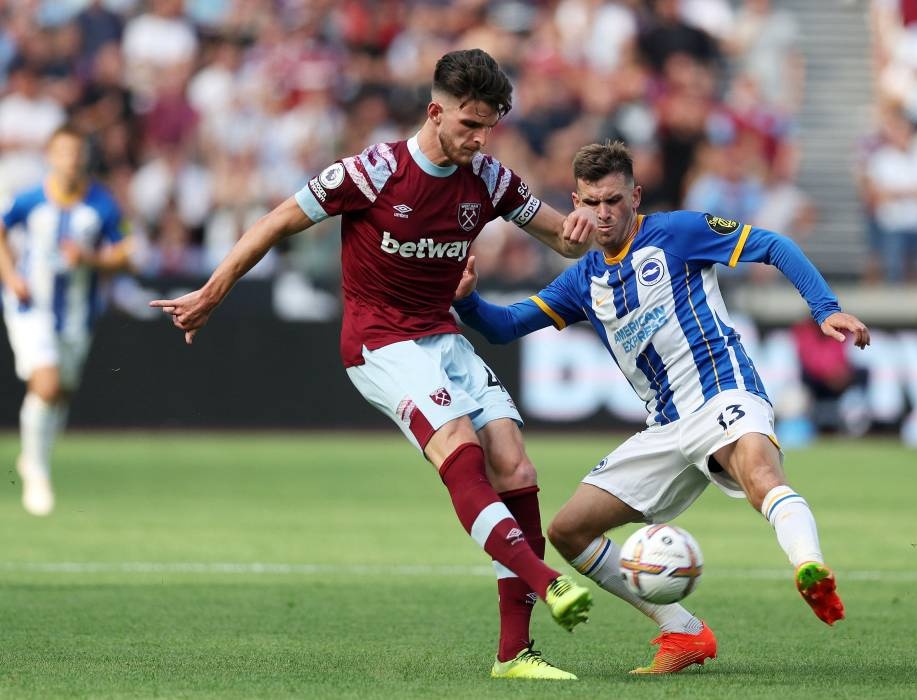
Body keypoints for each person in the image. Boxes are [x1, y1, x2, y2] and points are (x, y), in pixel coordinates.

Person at [150, 49, 596, 681]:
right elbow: (278, 220)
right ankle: (544, 580)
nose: (478, 139)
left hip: (440, 334)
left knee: (515, 463)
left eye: (488, 127)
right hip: (379, 342)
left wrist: (587, 224)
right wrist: (212, 291)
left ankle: (514, 656)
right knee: (462, 452)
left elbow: (559, 236)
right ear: (435, 111)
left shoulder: (489, 178)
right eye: (469, 125)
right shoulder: (372, 172)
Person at [452, 140, 870, 674]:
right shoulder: (583, 280)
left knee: (760, 472)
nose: (603, 214)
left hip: (724, 391)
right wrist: (467, 300)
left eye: (613, 201)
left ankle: (810, 567)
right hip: (666, 427)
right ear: (575, 203)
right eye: (590, 202)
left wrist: (826, 309)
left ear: (635, 195)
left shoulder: (677, 232)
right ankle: (684, 632)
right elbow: (506, 326)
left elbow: (774, 246)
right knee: (568, 531)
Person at [0, 124, 130, 516]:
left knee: (62, 391)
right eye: (63, 153)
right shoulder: (28, 200)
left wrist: (89, 259)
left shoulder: (102, 206)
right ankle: (36, 471)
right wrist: (10, 277)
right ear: (50, 157)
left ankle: (33, 456)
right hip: (31, 307)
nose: (70, 161)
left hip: (76, 315)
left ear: (84, 157)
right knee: (47, 381)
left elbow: (127, 251)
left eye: (76, 153)